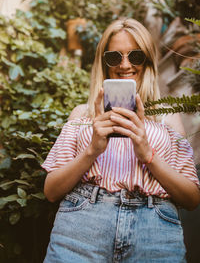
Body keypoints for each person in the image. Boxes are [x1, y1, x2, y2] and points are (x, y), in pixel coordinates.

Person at [42, 18, 200, 263]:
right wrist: (92, 150)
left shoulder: (168, 115)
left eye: (135, 56)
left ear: (147, 60)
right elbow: (51, 191)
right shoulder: (83, 114)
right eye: (115, 57)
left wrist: (149, 155)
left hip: (154, 229)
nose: (125, 65)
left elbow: (191, 198)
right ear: (104, 62)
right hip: (83, 225)